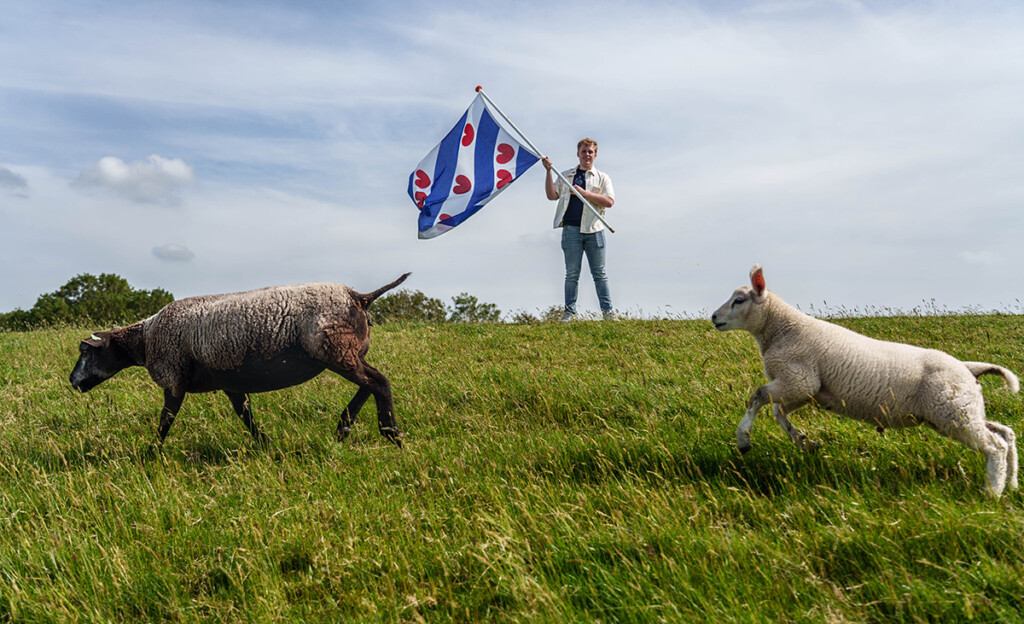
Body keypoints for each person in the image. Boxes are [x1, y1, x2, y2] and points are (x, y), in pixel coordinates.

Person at [542, 138, 616, 322]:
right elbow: (552, 195)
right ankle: (569, 312)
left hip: (595, 230)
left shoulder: (602, 177)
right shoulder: (566, 175)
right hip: (571, 230)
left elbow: (609, 201)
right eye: (584, 151)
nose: (587, 155)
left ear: (595, 155)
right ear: (578, 154)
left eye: (590, 152)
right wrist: (549, 171)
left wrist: (584, 193)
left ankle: (608, 313)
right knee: (572, 273)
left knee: (599, 273)